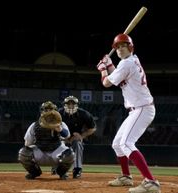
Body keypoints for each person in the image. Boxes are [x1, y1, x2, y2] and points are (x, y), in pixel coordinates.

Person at [96, 34, 161, 193]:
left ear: (130, 47)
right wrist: (110, 65)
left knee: (126, 144)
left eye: (123, 46)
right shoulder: (130, 61)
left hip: (142, 108)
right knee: (117, 144)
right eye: (117, 47)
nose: (119, 49)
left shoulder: (126, 63)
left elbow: (106, 83)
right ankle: (126, 177)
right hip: (137, 109)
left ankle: (151, 182)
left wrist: (103, 69)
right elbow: (121, 79)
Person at [18, 101, 75, 180]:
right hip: (40, 151)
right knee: (23, 153)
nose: (48, 112)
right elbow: (27, 143)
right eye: (46, 110)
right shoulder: (35, 125)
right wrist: (32, 150)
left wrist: (60, 130)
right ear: (41, 112)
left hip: (56, 151)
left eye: (50, 110)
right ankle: (34, 172)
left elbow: (67, 136)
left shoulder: (60, 124)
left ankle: (62, 172)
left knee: (70, 154)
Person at [58, 95, 96, 178]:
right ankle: (57, 167)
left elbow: (93, 128)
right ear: (64, 104)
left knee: (77, 143)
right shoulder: (58, 113)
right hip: (61, 137)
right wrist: (62, 136)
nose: (71, 106)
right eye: (68, 103)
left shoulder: (84, 114)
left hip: (75, 138)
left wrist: (82, 136)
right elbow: (52, 126)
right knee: (56, 144)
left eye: (73, 103)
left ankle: (77, 169)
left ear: (77, 105)